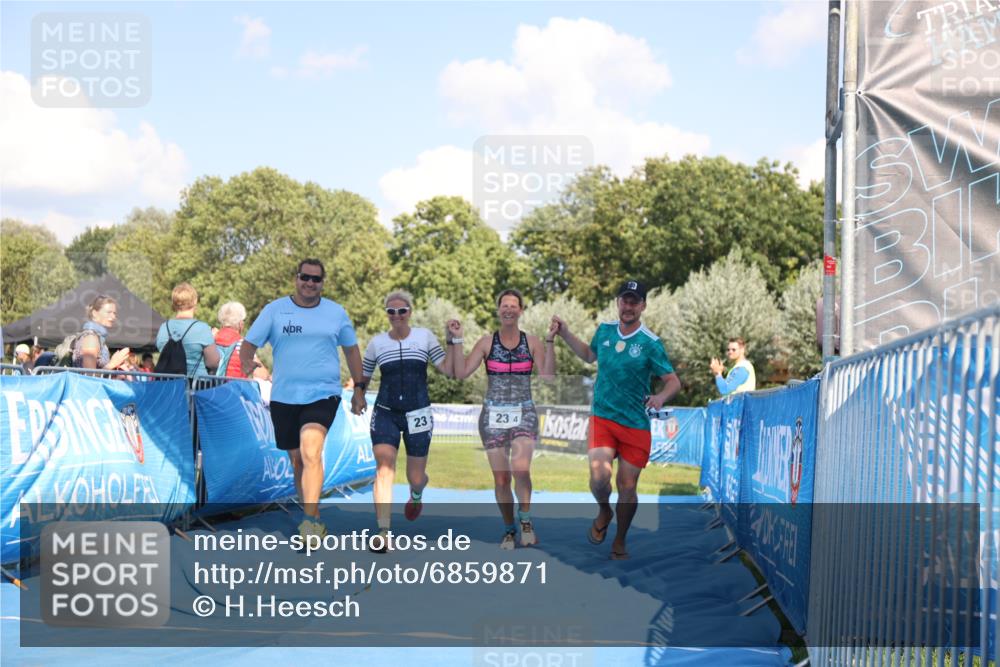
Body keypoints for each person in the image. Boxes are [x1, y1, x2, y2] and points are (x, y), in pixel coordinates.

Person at [550, 280, 681, 560]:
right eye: (625, 300)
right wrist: (565, 333)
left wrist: (659, 397)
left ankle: (620, 539)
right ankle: (604, 510)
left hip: (635, 424)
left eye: (635, 301)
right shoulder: (605, 331)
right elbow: (588, 355)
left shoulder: (651, 343)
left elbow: (673, 381)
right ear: (618, 303)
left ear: (643, 306)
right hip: (603, 417)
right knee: (599, 478)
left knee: (627, 486)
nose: (629, 306)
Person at [239, 259, 365, 541]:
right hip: (284, 397)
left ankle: (308, 521)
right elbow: (248, 346)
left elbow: (352, 351)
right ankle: (315, 516)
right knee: (297, 460)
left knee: (310, 451)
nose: (310, 283)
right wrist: (247, 361)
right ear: (296, 279)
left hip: (323, 394)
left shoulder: (335, 312)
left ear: (323, 282)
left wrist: (359, 388)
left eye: (316, 279)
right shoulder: (275, 310)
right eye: (305, 277)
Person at [449, 289, 555, 550]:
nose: (508, 309)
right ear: (499, 311)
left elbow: (548, 376)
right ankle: (509, 529)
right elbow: (461, 373)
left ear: (520, 311)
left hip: (524, 413)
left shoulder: (532, 342)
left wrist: (550, 341)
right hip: (492, 416)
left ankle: (526, 522)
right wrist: (456, 340)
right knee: (501, 479)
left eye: (513, 305)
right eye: (504, 305)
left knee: (520, 468)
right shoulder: (486, 342)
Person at [352, 290, 454, 551]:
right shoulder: (377, 343)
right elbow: (364, 375)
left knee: (415, 476)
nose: (396, 316)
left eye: (402, 311)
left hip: (418, 412)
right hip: (386, 411)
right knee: (384, 468)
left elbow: (448, 369)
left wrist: (453, 341)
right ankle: (384, 532)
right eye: (391, 311)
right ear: (386, 314)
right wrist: (359, 394)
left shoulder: (425, 337)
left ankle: (417, 492)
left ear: (410, 312)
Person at [155, 283, 220, 377]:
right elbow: (213, 363)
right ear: (194, 301)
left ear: (174, 303)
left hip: (169, 386)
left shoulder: (163, 327)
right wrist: (212, 339)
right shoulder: (202, 328)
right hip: (196, 386)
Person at [72, 295, 134, 371]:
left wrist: (116, 368)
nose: (113, 316)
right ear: (95, 313)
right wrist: (113, 363)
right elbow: (88, 375)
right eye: (109, 312)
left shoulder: (98, 338)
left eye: (115, 313)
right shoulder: (91, 338)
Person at [215, 301, 253, 378]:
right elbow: (260, 373)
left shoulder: (211, 339)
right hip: (235, 388)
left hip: (212, 388)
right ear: (240, 324)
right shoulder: (244, 344)